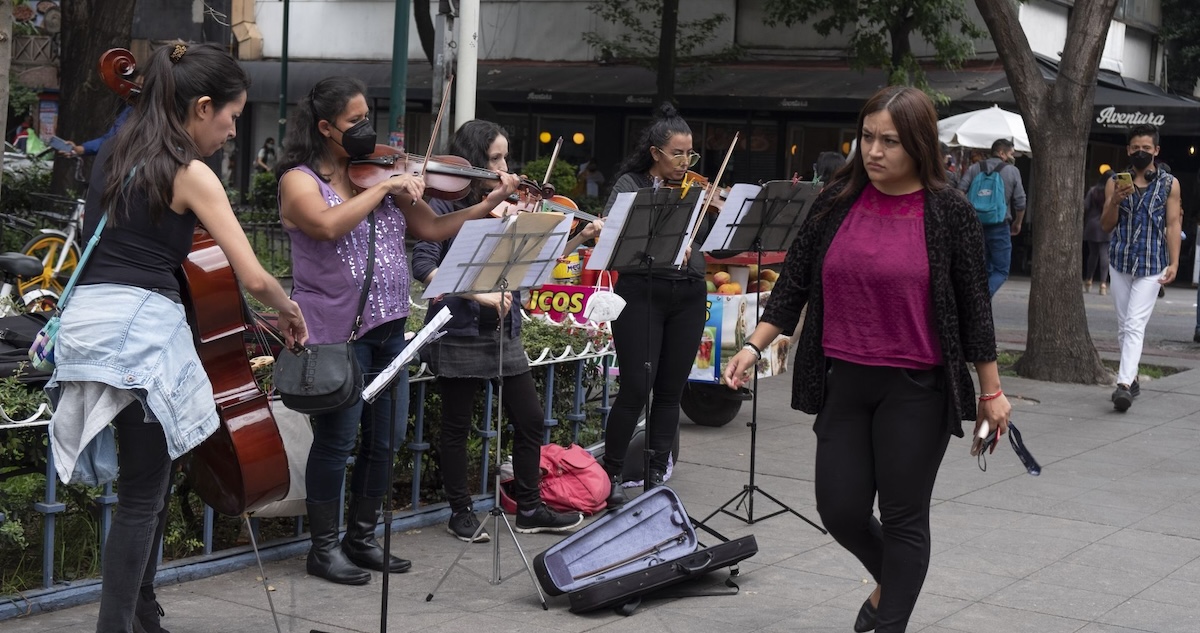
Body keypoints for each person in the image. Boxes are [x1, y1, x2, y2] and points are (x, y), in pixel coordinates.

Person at [724, 86, 1010, 633]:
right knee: (841, 510)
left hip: (917, 388)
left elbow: (975, 307)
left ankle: (885, 620)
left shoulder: (949, 211)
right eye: (868, 137)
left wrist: (992, 392)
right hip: (843, 380)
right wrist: (754, 344)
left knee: (904, 518)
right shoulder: (835, 201)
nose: (874, 152)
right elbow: (795, 285)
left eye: (891, 142)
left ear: (920, 145)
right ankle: (895, 587)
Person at [44, 42, 307, 633]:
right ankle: (117, 625)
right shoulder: (190, 173)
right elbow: (255, 275)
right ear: (202, 106)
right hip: (140, 334)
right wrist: (289, 311)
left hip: (89, 325)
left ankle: (141, 614)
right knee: (142, 495)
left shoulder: (116, 150)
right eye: (232, 117)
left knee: (148, 485)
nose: (233, 131)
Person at [275, 76, 521, 585]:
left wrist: (487, 202)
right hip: (334, 334)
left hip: (390, 327)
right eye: (354, 122)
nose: (367, 130)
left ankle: (360, 539)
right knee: (337, 443)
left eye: (369, 117)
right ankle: (323, 548)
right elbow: (325, 225)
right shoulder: (299, 181)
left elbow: (431, 228)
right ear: (325, 128)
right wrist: (386, 187)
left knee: (384, 441)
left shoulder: (380, 176)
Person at [411, 120, 600, 541]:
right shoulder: (443, 207)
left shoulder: (512, 208)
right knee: (457, 426)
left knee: (530, 419)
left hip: (503, 332)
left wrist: (579, 238)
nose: (506, 167)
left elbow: (535, 269)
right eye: (495, 158)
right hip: (459, 331)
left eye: (505, 157)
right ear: (475, 161)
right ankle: (460, 512)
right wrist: (479, 295)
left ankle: (530, 507)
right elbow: (424, 266)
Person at [598, 103, 710, 508]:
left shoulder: (696, 189)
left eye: (690, 154)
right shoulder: (631, 185)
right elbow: (612, 234)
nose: (685, 162)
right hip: (642, 292)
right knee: (635, 387)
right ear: (656, 153)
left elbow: (708, 242)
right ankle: (610, 472)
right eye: (678, 153)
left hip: (689, 292)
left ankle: (656, 472)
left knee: (670, 391)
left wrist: (706, 209)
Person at [1101, 124, 1181, 412]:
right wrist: (1114, 200)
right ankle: (1132, 378)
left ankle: (1122, 386)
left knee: (1134, 324)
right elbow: (1106, 225)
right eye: (1135, 148)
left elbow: (1173, 224)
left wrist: (1174, 262)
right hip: (1121, 261)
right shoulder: (1115, 182)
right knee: (1124, 327)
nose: (1140, 152)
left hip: (1152, 264)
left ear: (1156, 151)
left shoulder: (1169, 183)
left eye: (1146, 148)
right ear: (1128, 150)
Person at [956, 138, 1027, 296]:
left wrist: (966, 216)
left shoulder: (975, 168)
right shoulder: (1012, 171)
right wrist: (1018, 222)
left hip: (975, 227)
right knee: (1001, 270)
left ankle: (979, 305)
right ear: (1002, 153)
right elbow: (1020, 202)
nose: (1012, 157)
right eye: (1011, 153)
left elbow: (960, 191)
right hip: (999, 226)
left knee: (981, 269)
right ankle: (981, 299)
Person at [1083, 170, 1113, 295]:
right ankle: (1103, 283)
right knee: (1104, 253)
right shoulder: (1111, 193)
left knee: (1093, 254)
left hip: (1092, 224)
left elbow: (1085, 206)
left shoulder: (1093, 190)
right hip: (1106, 224)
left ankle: (1089, 280)